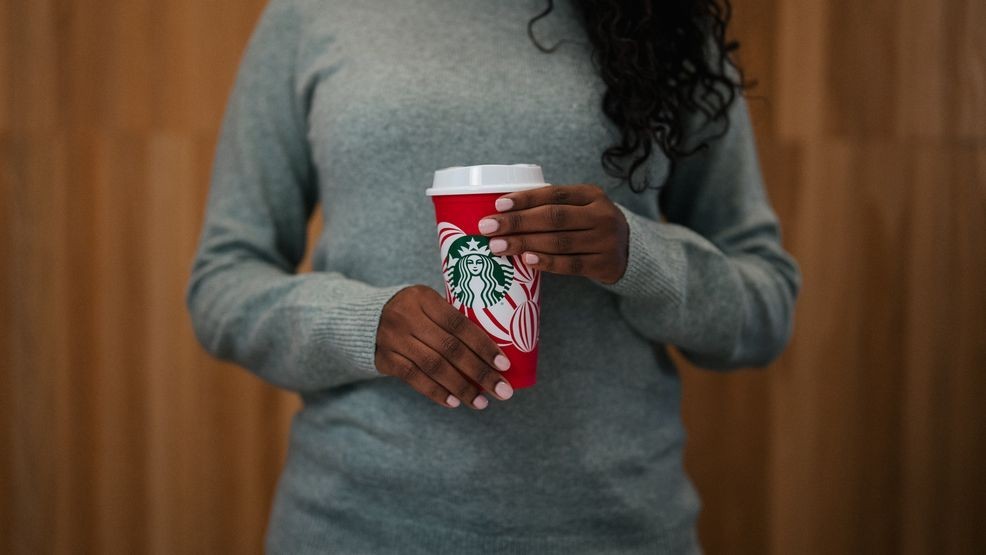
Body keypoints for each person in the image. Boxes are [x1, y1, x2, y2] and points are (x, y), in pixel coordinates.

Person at [185, 0, 801, 552]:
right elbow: (223, 280)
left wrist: (638, 255)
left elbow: (767, 304)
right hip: (356, 526)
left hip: (613, 527)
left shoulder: (666, 22)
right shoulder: (312, 13)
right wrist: (365, 324)